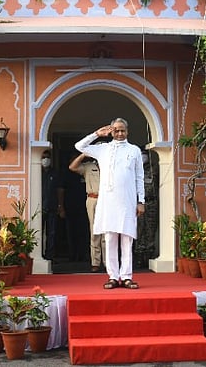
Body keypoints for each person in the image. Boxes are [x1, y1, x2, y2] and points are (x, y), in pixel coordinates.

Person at [75, 118, 145, 290]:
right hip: (108, 202)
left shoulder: (134, 150)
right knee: (110, 239)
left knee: (127, 240)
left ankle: (126, 276)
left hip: (128, 201)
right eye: (116, 130)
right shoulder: (103, 149)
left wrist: (141, 201)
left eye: (122, 130)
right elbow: (80, 146)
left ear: (127, 131)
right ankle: (113, 276)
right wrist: (97, 134)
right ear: (111, 131)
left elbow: (139, 177)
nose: (120, 133)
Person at [69, 152, 104, 272]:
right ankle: (95, 262)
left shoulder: (110, 164)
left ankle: (108, 262)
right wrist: (83, 155)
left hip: (107, 200)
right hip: (92, 198)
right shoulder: (88, 166)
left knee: (107, 232)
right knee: (94, 231)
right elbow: (72, 167)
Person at [40, 150, 65, 261]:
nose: (45, 159)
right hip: (39, 208)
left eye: (47, 157)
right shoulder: (36, 172)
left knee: (52, 233)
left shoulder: (55, 173)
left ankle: (50, 255)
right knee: (38, 232)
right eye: (43, 157)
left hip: (52, 206)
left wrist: (60, 206)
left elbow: (60, 190)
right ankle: (39, 255)